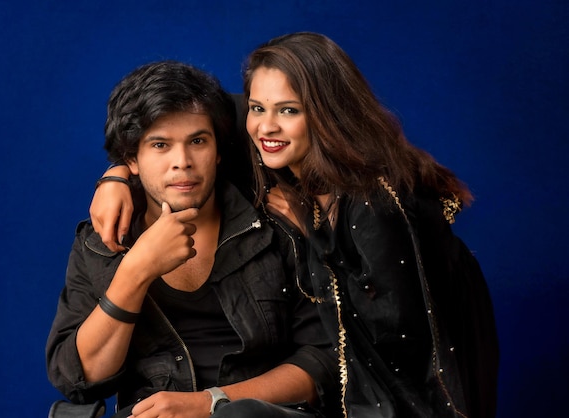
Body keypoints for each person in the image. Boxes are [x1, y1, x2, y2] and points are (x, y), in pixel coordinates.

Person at [89, 33, 500, 418]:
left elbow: (391, 348)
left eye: (289, 110)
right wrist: (117, 175)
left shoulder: (374, 205)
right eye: (257, 108)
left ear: (327, 113)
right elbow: (171, 123)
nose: (266, 127)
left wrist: (314, 235)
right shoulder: (263, 145)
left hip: (423, 379)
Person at [46, 60, 340, 418]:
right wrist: (136, 271)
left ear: (219, 151)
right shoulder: (102, 241)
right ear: (131, 158)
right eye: (160, 145)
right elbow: (80, 379)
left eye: (197, 141)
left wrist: (211, 403)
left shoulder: (277, 224)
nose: (182, 161)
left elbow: (323, 361)